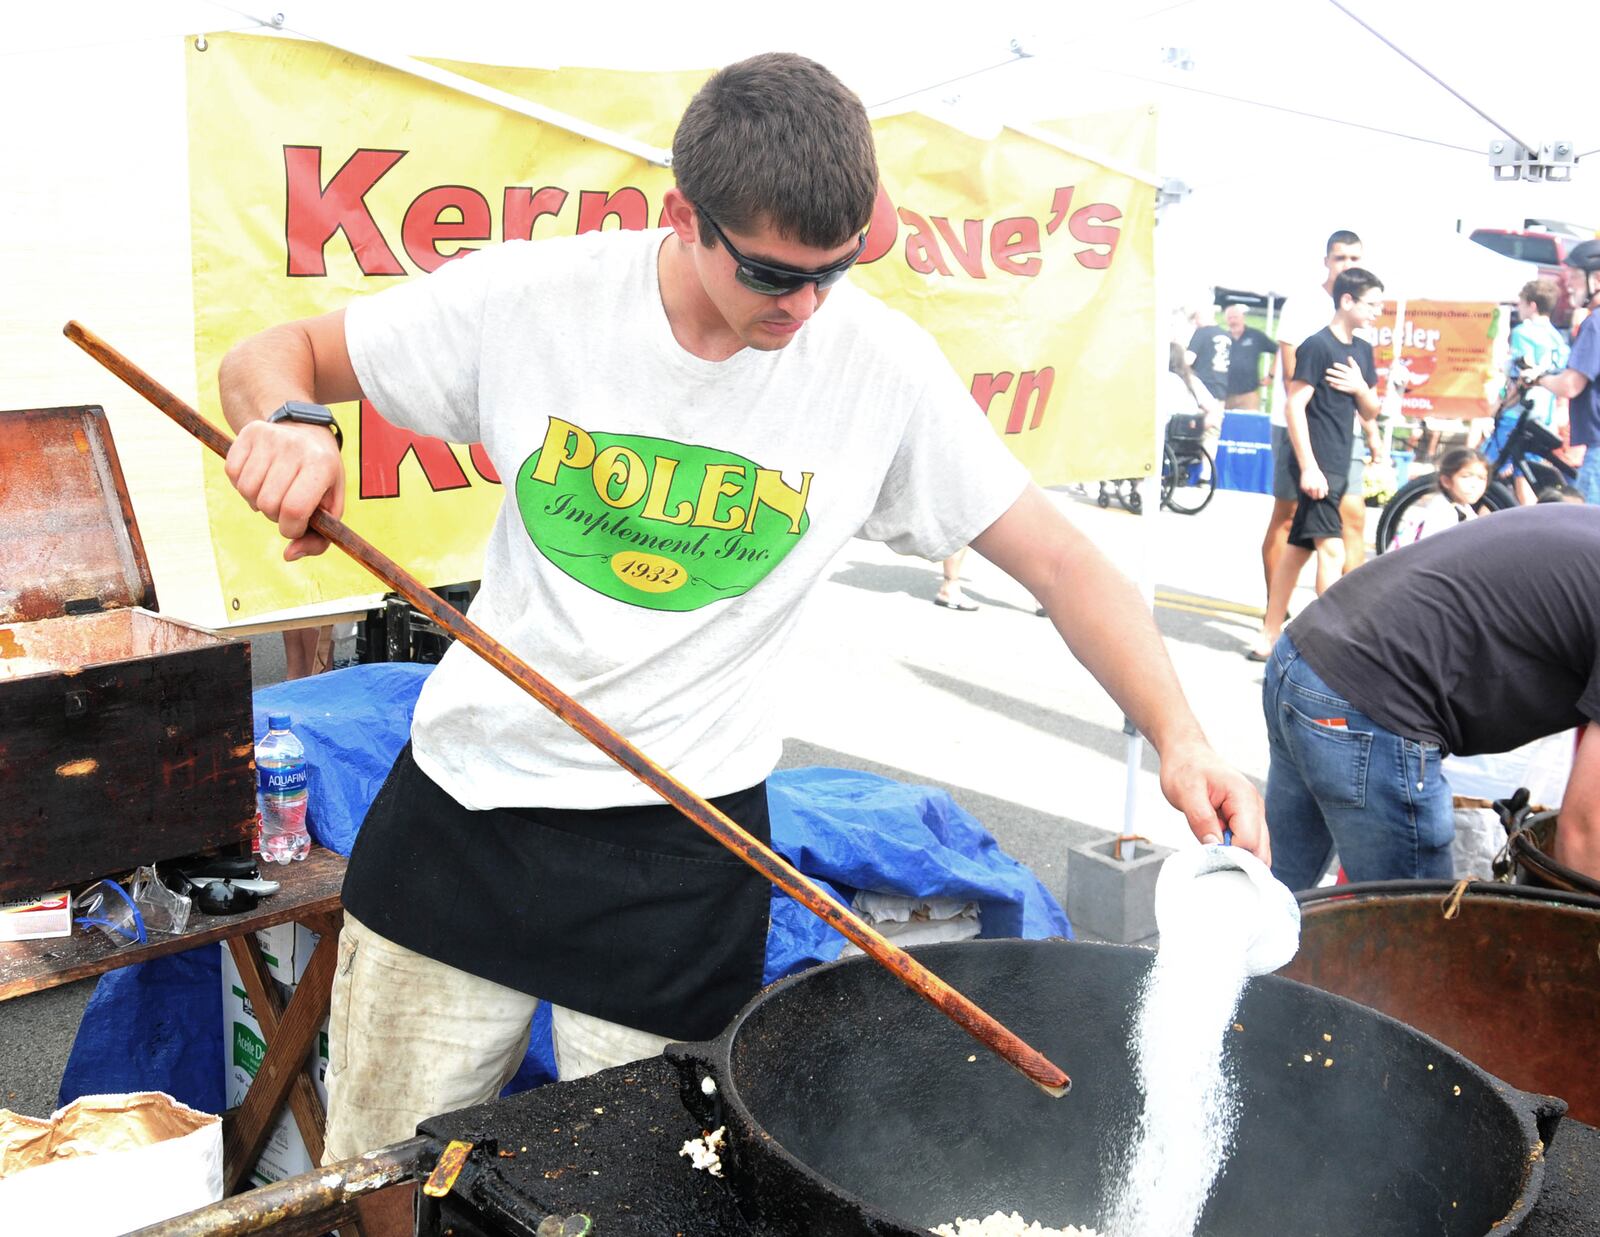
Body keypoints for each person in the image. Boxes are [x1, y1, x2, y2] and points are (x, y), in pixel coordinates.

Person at [214, 53, 1266, 1163]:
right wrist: (288, 419)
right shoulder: (535, 298)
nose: (804, 307)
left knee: (640, 1192)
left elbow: (1060, 562)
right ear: (684, 216)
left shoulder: (878, 367)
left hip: (686, 843)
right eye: (771, 274)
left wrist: (1179, 734)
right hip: (467, 812)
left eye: (836, 271)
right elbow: (272, 354)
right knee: (383, 1168)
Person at [1264, 503, 1600, 889]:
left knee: (1275, 899)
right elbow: (1583, 832)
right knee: (1413, 934)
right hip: (1371, 701)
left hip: (1306, 651)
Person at [1250, 268, 1383, 660]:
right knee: (1332, 552)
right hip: (1317, 464)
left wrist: (1360, 388)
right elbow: (1294, 405)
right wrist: (1308, 466)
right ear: (1347, 301)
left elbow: (1371, 409)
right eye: (1372, 303)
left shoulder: (1362, 351)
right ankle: (1328, 646)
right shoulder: (1316, 346)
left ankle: (1270, 634)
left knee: (1296, 551)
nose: (1378, 311)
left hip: (1341, 461)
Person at [1260, 231, 1365, 612]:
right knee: (1287, 518)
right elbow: (1291, 377)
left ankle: (1349, 618)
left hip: (1344, 432)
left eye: (1355, 258)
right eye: (1341, 258)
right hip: (1298, 426)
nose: (1348, 266)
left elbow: (1362, 379)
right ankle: (1275, 610)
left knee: (1352, 517)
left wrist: (1371, 430)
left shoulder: (1361, 307)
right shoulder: (1304, 304)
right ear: (1327, 261)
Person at [1530, 240, 1600, 504]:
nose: (1568, 285)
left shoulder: (1595, 323)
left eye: (1573, 277)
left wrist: (1538, 378)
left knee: (1590, 531)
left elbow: (1570, 385)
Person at [1491, 280, 1570, 505]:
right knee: (1523, 477)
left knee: (1484, 471)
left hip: (1518, 412)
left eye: (1521, 303)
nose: (1519, 308)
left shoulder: (1524, 332)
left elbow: (1522, 375)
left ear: (1532, 305)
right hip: (1543, 415)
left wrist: (1501, 404)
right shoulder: (1558, 338)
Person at [1386, 447, 1488, 549]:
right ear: (1446, 481)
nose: (1474, 484)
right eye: (1466, 476)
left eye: (1481, 478)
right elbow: (1431, 553)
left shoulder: (1464, 508)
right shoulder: (1442, 512)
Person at [1222, 304, 1277, 410]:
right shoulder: (1222, 337)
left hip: (1248, 395)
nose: (1233, 321)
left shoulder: (1255, 336)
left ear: (1243, 317)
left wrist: (1271, 376)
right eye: (1230, 318)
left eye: (1235, 317)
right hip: (1225, 395)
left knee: (1249, 425)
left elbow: (1279, 351)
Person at [1187, 304, 1232, 405]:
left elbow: (1188, 359)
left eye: (1195, 318)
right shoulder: (1227, 335)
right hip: (1221, 388)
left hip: (1203, 388)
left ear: (1202, 316)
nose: (1194, 323)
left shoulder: (1201, 332)